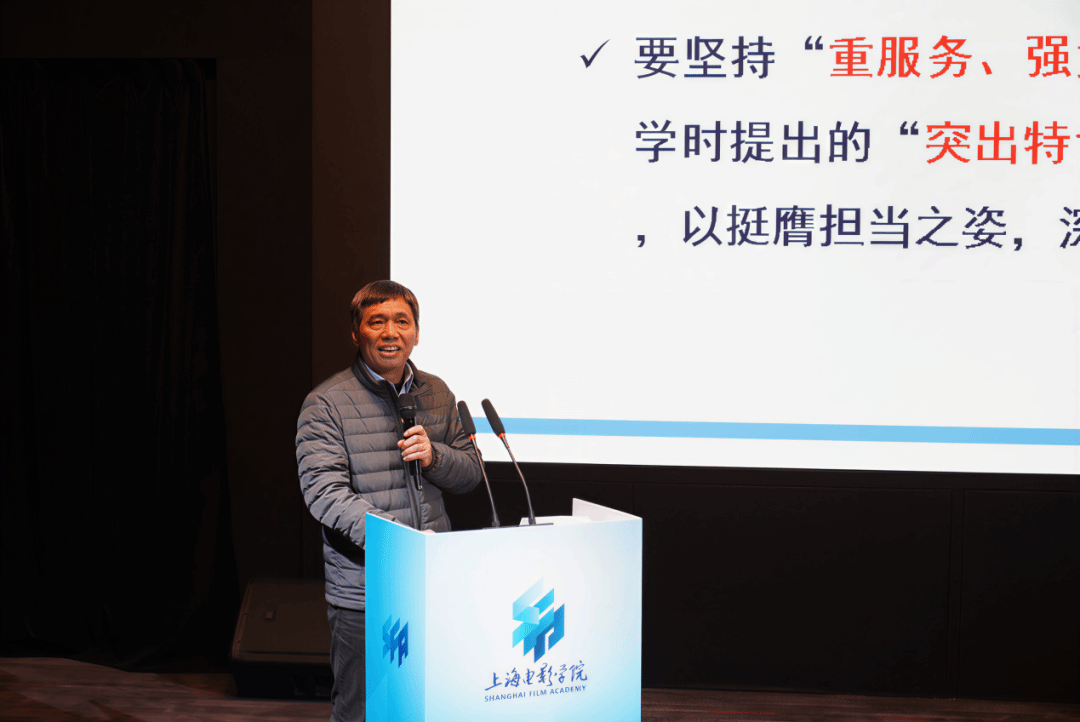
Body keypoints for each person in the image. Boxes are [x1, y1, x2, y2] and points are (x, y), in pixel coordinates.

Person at [296, 280, 482, 722]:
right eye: (376, 321)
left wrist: (434, 457)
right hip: (366, 588)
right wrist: (400, 541)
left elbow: (471, 473)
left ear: (416, 332)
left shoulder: (437, 392)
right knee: (362, 710)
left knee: (429, 704)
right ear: (356, 334)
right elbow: (324, 493)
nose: (390, 332)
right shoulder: (325, 403)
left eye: (402, 321)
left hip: (432, 582)